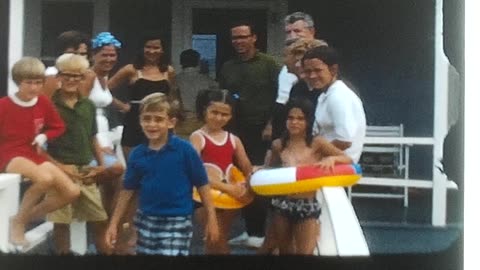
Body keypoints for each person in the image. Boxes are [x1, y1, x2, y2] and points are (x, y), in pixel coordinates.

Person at [105, 93, 219, 255]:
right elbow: (128, 190)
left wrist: (211, 219)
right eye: (147, 119)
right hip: (145, 219)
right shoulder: (138, 154)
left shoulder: (185, 150)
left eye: (158, 119)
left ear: (171, 122)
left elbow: (202, 184)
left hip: (177, 220)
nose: (152, 124)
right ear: (140, 121)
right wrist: (114, 223)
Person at [0, 57, 80, 248]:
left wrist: (45, 136)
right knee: (44, 179)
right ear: (18, 81)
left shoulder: (43, 102)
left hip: (33, 152)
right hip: (9, 154)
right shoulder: (4, 105)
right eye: (29, 82)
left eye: (38, 83)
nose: (34, 88)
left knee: (72, 191)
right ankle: (18, 223)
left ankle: (22, 217)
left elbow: (58, 126)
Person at [45, 53, 119, 254]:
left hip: (86, 168)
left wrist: (102, 164)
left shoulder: (87, 105)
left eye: (76, 76)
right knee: (61, 223)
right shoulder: (49, 105)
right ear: (59, 76)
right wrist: (59, 168)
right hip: (60, 171)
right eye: (66, 75)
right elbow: (40, 146)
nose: (71, 80)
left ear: (82, 78)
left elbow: (92, 137)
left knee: (99, 218)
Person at [259, 98, 352, 254]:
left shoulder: (317, 143)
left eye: (300, 118)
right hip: (283, 203)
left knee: (305, 252)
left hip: (307, 204)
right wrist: (258, 169)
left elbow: (348, 159)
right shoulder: (278, 145)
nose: (294, 122)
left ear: (308, 121)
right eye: (291, 118)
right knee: (284, 251)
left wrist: (332, 158)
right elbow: (270, 170)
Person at [218, 21, 281, 248]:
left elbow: (280, 99)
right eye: (235, 38)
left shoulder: (270, 64)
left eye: (244, 37)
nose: (239, 42)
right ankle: (248, 230)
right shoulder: (228, 66)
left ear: (254, 38)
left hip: (261, 131)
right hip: (235, 131)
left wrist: (271, 125)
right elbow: (222, 98)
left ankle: (260, 233)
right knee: (236, 178)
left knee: (258, 178)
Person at [189, 89, 253, 254]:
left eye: (224, 114)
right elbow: (194, 170)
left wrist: (246, 186)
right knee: (214, 238)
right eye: (214, 112)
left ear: (231, 116)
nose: (218, 118)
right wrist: (227, 188)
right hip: (204, 196)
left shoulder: (233, 139)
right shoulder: (197, 137)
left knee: (221, 237)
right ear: (205, 111)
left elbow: (247, 167)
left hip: (230, 196)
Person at [108, 33, 178, 158]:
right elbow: (104, 89)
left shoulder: (169, 71)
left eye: (156, 48)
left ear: (162, 50)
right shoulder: (131, 69)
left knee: (162, 159)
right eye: (148, 47)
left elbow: (172, 96)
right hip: (135, 120)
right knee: (134, 160)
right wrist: (122, 106)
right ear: (142, 49)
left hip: (161, 120)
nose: (152, 51)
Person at [302, 46, 366, 163]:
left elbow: (345, 140)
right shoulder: (325, 95)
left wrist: (312, 156)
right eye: (308, 71)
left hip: (338, 167)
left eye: (318, 70)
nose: (312, 76)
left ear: (333, 70)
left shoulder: (339, 96)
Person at [272, 12, 320, 141]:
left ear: (312, 31)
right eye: (288, 32)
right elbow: (281, 104)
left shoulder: (324, 66)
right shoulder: (285, 71)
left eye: (297, 31)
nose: (292, 36)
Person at [175, 49, 218, 138]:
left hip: (181, 121)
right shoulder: (208, 80)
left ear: (181, 62)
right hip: (201, 120)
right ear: (198, 62)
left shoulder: (175, 80)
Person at [43, 30, 90, 98]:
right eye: (72, 54)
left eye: (82, 54)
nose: (77, 57)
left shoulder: (90, 74)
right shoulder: (50, 74)